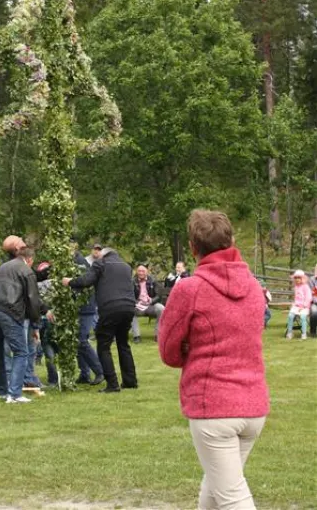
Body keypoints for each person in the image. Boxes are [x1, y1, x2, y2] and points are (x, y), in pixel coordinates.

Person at [158, 209, 269, 510]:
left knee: (232, 496)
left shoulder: (190, 289)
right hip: (254, 406)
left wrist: (191, 354)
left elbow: (168, 350)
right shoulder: (256, 288)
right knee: (217, 485)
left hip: (213, 408)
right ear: (232, 240)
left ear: (193, 249)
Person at [62, 243, 137, 393]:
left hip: (110, 307)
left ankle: (112, 384)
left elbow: (86, 281)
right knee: (123, 343)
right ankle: (130, 381)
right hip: (129, 307)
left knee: (103, 344)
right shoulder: (126, 266)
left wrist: (70, 282)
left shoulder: (100, 263)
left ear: (103, 254)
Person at [0, 245, 42, 404]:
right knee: (21, 352)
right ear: (29, 259)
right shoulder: (26, 270)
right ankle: (15, 394)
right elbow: (32, 300)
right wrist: (36, 325)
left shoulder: (3, 267)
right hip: (9, 310)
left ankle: (3, 391)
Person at [73, 250, 104, 386]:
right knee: (78, 341)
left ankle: (100, 371)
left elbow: (83, 282)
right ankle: (84, 374)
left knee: (81, 340)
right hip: (81, 307)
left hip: (85, 307)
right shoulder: (77, 261)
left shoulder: (80, 263)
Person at [132, 264, 164, 342]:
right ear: (136, 271)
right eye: (139, 271)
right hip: (138, 306)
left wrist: (151, 300)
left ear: (147, 271)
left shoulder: (153, 281)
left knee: (161, 308)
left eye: (143, 271)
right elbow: (129, 295)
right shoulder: (132, 281)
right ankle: (137, 336)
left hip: (150, 305)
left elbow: (158, 295)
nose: (141, 273)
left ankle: (158, 334)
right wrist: (137, 302)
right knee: (129, 310)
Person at [286, 269, 312, 340]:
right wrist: (294, 304)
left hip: (304, 307)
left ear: (302, 279)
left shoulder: (306, 287)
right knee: (290, 316)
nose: (297, 279)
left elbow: (308, 297)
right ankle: (290, 332)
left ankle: (304, 333)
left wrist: (303, 306)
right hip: (296, 306)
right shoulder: (296, 287)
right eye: (296, 278)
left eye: (299, 278)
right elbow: (296, 298)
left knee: (303, 317)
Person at [309, 264, 317, 338]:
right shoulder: (312, 280)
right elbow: (311, 294)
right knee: (314, 312)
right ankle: (313, 332)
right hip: (314, 302)